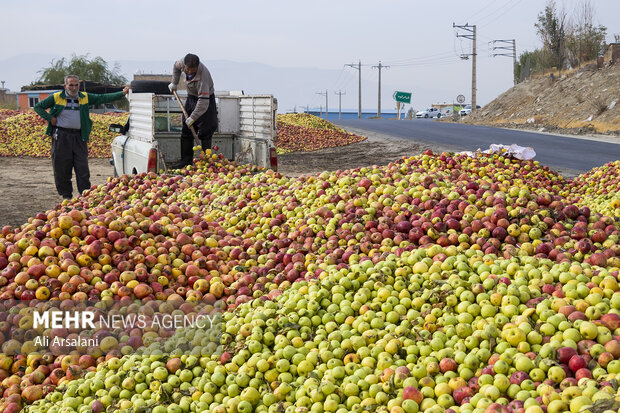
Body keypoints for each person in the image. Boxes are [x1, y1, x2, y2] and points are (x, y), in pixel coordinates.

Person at [34, 75, 129, 200]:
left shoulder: (84, 97)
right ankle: (66, 196)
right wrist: (50, 118)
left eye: (76, 85)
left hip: (79, 136)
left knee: (82, 167)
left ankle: (84, 195)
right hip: (62, 136)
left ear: (79, 86)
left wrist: (121, 93)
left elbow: (103, 98)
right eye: (71, 85)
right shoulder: (56, 97)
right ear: (65, 86)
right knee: (62, 167)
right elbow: (38, 107)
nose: (73, 88)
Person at [168, 53, 218, 167]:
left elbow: (203, 103)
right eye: (187, 69)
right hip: (191, 98)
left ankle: (206, 163)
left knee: (206, 129)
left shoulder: (203, 76)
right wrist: (174, 82)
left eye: (192, 70)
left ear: (197, 66)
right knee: (187, 129)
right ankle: (186, 161)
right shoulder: (181, 63)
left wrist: (193, 117)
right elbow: (176, 68)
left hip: (206, 100)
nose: (189, 72)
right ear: (184, 65)